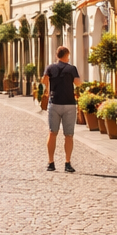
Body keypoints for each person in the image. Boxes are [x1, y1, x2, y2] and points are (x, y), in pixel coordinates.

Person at [41, 45, 82, 173]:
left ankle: (51, 162)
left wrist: (50, 87)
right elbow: (78, 83)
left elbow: (43, 80)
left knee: (52, 133)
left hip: (54, 103)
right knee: (68, 135)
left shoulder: (50, 68)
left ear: (56, 55)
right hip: (69, 104)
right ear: (67, 55)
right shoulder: (71, 68)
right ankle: (67, 163)